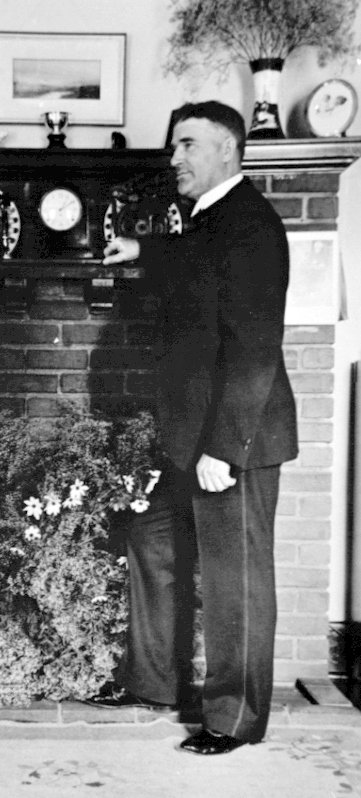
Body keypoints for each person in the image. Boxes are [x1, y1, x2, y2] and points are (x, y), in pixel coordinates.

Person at [97, 101, 298, 755]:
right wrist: (139, 249)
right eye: (172, 146)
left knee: (234, 577)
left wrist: (224, 447)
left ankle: (233, 718)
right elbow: (189, 264)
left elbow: (253, 348)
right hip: (190, 435)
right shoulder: (212, 223)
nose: (173, 157)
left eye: (186, 144)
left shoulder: (251, 228)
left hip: (231, 439)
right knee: (151, 540)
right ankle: (154, 680)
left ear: (226, 150)